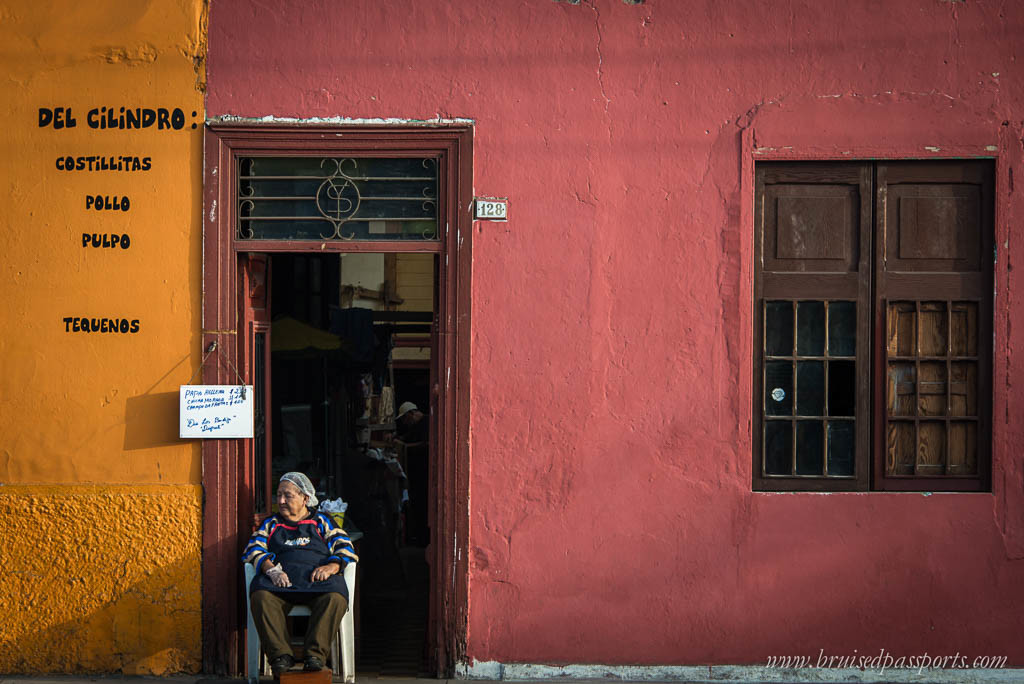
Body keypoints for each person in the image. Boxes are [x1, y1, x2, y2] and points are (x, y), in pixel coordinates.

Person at [242, 472, 358, 675]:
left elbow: (345, 547)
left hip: (317, 583)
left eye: (288, 496)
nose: (281, 501)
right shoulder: (271, 524)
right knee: (260, 597)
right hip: (280, 585)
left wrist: (331, 567)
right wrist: (272, 570)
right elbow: (253, 549)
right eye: (278, 495)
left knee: (336, 598)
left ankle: (315, 655)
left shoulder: (322, 521)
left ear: (305, 498)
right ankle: (280, 657)